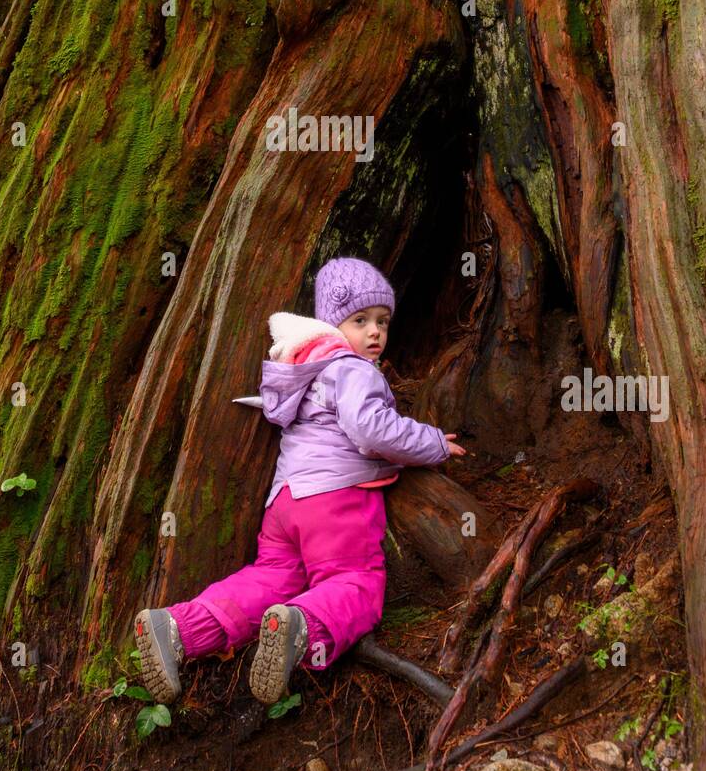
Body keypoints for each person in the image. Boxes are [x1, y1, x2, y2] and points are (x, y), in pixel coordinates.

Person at [135, 256, 466, 706]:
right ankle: (302, 627)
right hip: (335, 502)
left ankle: (179, 628)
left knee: (272, 577)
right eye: (360, 320)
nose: (374, 332)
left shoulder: (304, 374)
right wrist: (432, 442)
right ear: (332, 326)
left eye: (382, 321)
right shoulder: (351, 369)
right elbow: (370, 430)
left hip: (286, 503)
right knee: (355, 581)